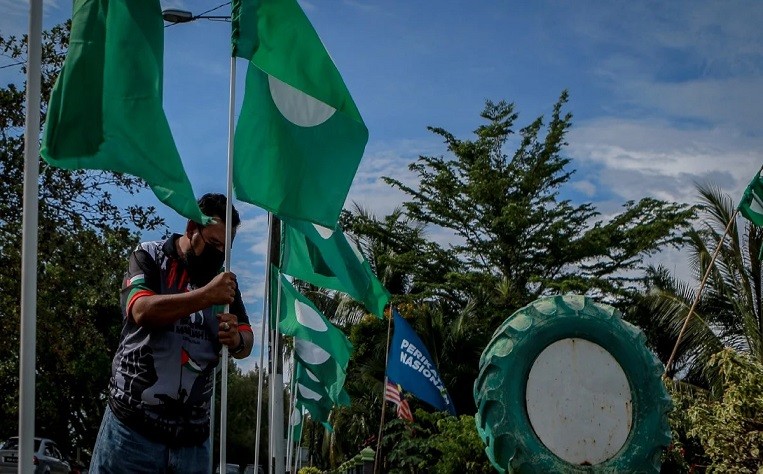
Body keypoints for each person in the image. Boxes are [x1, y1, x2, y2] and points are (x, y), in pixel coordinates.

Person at [90, 193, 253, 473]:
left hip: (193, 441)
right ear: (192, 229)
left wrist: (237, 340)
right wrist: (204, 296)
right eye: (213, 244)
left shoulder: (225, 284)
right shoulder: (149, 255)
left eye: (224, 250)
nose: (218, 255)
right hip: (132, 431)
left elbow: (247, 340)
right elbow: (141, 310)